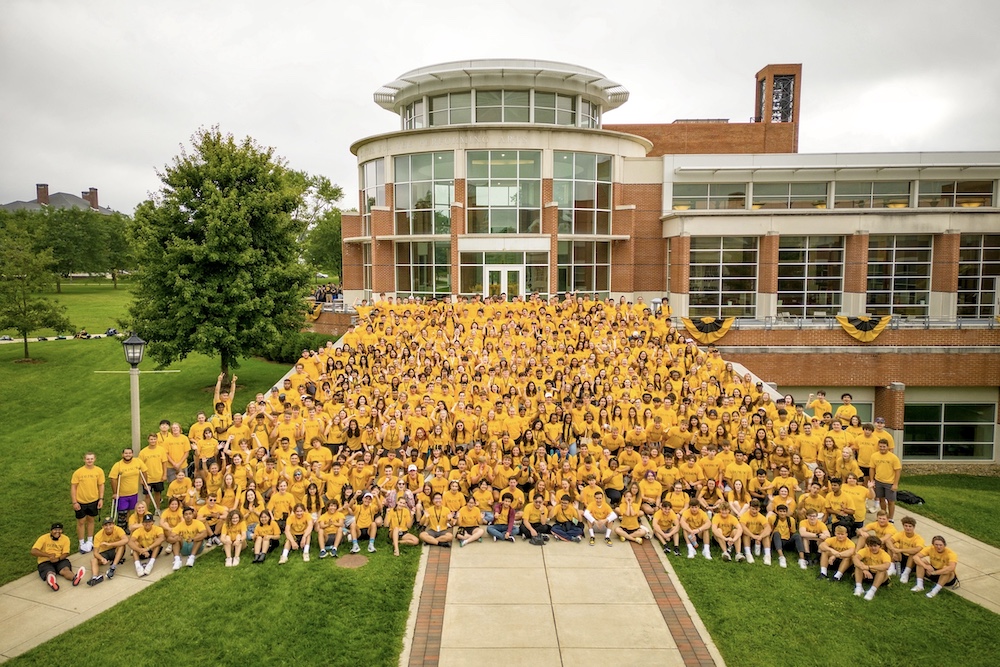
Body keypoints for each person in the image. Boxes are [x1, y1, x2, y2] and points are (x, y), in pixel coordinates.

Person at [31, 522, 86, 591]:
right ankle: (52, 582)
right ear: (51, 531)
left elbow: (66, 553)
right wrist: (49, 556)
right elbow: (33, 551)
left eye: (59, 530)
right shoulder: (43, 538)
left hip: (60, 560)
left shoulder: (65, 539)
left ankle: (75, 578)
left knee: (65, 570)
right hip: (45, 561)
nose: (57, 532)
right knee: (49, 572)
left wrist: (58, 559)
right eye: (55, 530)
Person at [70, 452, 105, 553]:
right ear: (84, 460)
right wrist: (74, 502)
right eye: (88, 459)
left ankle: (90, 541)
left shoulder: (99, 471)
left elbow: (101, 485)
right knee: (81, 522)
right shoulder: (78, 472)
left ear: (95, 459)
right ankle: (81, 543)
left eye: (91, 459)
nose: (89, 461)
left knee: (91, 520)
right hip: (81, 501)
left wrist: (101, 499)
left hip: (93, 500)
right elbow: (73, 487)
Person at [109, 447, 148, 530]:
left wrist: (145, 483)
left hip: (134, 493)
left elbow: (144, 471)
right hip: (122, 494)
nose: (128, 455)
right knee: (122, 512)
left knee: (130, 511)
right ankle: (121, 529)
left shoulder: (137, 462)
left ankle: (128, 525)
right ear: (122, 454)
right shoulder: (118, 465)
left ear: (132, 454)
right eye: (126, 453)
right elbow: (113, 479)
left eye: (130, 453)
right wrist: (115, 492)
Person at [86, 517, 129, 585]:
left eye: (110, 524)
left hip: (116, 551)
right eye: (106, 525)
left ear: (113, 524)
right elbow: (95, 553)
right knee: (93, 560)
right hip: (104, 553)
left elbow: (126, 540)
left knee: (121, 546)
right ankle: (94, 578)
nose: (108, 527)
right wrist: (101, 558)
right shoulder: (98, 535)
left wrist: (110, 544)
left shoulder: (118, 529)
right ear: (102, 527)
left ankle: (112, 568)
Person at [869, 439, 902, 519]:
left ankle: (890, 518)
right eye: (880, 446)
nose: (882, 448)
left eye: (884, 446)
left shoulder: (893, 457)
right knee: (881, 499)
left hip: (889, 482)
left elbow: (898, 470)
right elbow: (872, 468)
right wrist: (872, 480)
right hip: (878, 481)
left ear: (888, 447)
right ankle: (883, 516)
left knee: (891, 501)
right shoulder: (874, 456)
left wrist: (895, 484)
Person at [886, 516, 925, 583]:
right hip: (901, 556)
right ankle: (892, 567)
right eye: (906, 526)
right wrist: (894, 550)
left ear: (914, 527)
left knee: (913, 553)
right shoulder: (901, 534)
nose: (907, 528)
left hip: (911, 560)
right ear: (903, 526)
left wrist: (900, 550)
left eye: (910, 526)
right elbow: (888, 541)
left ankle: (906, 574)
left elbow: (917, 549)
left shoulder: (918, 538)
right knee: (892, 546)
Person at [852, 535, 891, 600]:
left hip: (879, 575)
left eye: (875, 546)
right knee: (858, 565)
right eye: (871, 546)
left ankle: (872, 592)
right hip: (866, 573)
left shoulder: (884, 554)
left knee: (882, 570)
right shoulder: (865, 550)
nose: (873, 548)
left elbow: (886, 566)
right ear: (868, 546)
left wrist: (868, 567)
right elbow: (855, 558)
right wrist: (863, 569)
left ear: (880, 546)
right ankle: (858, 587)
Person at [168, 506, 207, 570]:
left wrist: (193, 539)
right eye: (186, 514)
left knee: (199, 536)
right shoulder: (180, 525)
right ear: (183, 516)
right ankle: (177, 560)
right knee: (176, 538)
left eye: (190, 514)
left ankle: (192, 557)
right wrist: (175, 539)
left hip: (196, 546)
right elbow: (169, 538)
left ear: (193, 515)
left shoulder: (198, 523)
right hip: (185, 547)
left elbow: (204, 534)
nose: (188, 516)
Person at [769, 504, 806, 569]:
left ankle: (802, 559)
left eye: (784, 511)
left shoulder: (791, 520)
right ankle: (781, 557)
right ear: (777, 512)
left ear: (786, 512)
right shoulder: (772, 518)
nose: (782, 513)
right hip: (776, 541)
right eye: (780, 511)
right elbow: (769, 530)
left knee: (797, 535)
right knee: (776, 533)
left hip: (787, 540)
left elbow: (793, 531)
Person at [740, 500, 771, 564]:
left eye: (756, 509)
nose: (754, 511)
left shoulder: (761, 517)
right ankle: (748, 553)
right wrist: (752, 535)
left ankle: (767, 555)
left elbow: (768, 528)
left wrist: (761, 536)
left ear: (759, 509)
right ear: (749, 508)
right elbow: (742, 527)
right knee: (746, 533)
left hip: (758, 535)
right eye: (753, 509)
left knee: (765, 534)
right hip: (749, 534)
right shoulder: (744, 516)